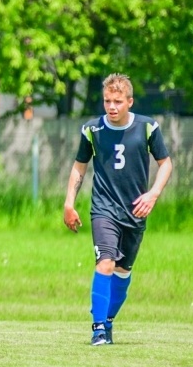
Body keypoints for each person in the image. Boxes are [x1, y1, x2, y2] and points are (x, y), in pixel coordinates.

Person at [63, 73, 172, 346]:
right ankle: (98, 328)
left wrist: (153, 194)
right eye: (107, 101)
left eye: (117, 101)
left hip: (135, 212)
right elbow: (79, 166)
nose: (111, 107)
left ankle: (108, 319)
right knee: (106, 262)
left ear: (130, 102)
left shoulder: (148, 127)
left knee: (123, 271)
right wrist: (68, 203)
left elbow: (166, 163)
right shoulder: (92, 130)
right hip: (103, 209)